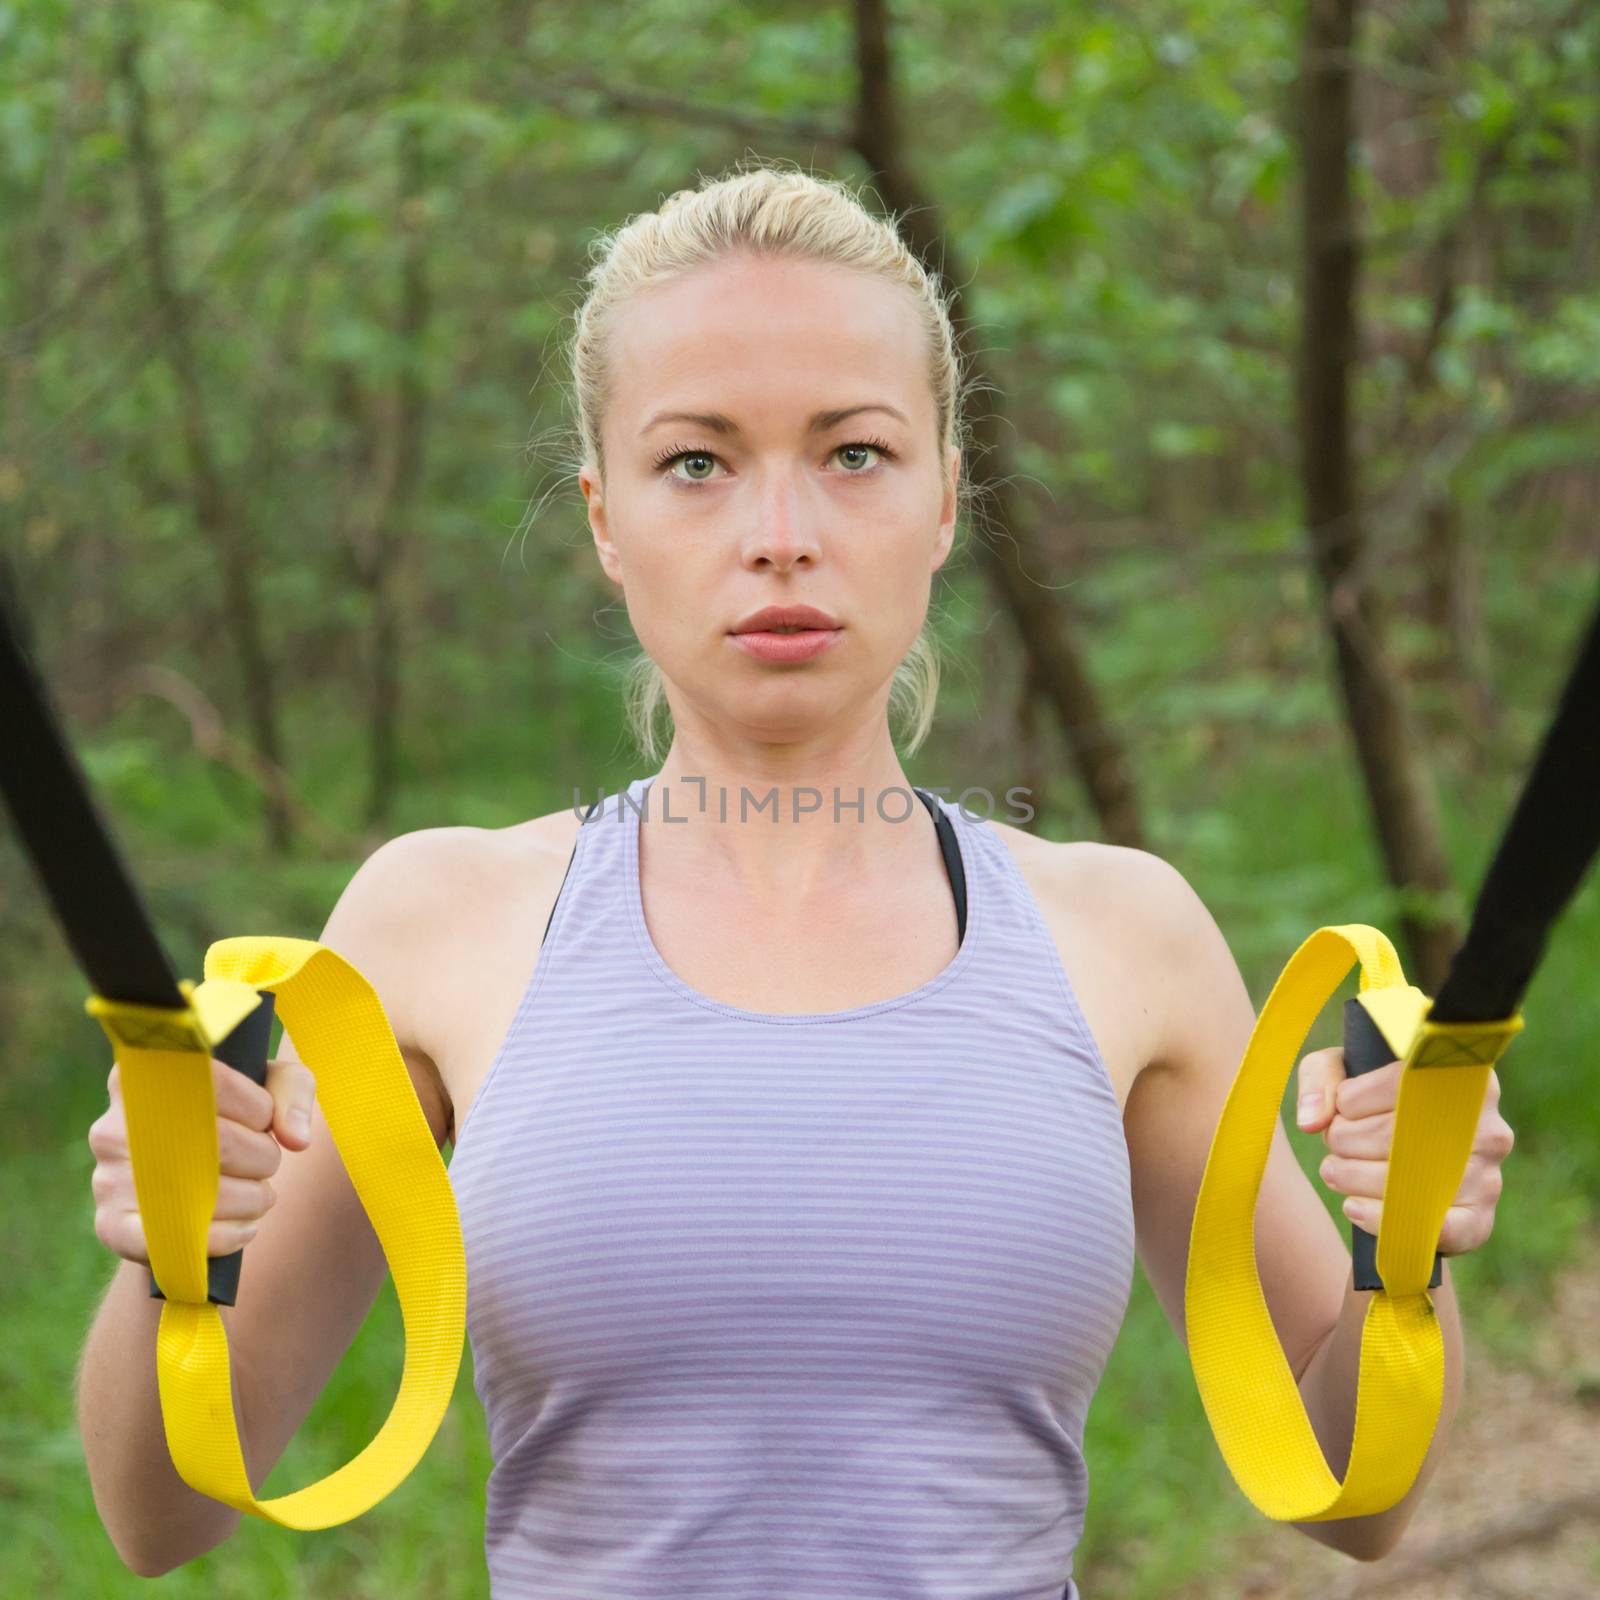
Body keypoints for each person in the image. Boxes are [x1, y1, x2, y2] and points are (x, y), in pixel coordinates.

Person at [74, 157, 1490, 1595]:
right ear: (604, 517)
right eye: (696, 460)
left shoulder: (1125, 937)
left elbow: (1353, 1498)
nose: (780, 533)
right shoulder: (435, 924)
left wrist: (1406, 1257)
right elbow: (163, 1514)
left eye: (855, 452)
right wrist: (170, 1260)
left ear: (946, 496)